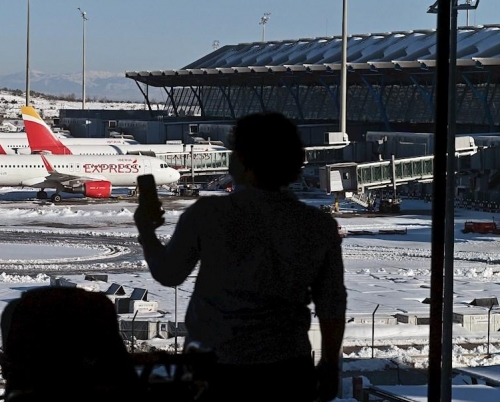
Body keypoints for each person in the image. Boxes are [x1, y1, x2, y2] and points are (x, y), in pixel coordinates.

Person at [134, 112, 346, 401]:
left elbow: (168, 273)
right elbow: (332, 304)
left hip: (215, 370)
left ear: (241, 161)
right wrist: (331, 364)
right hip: (287, 369)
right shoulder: (319, 226)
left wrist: (146, 230)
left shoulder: (207, 215)